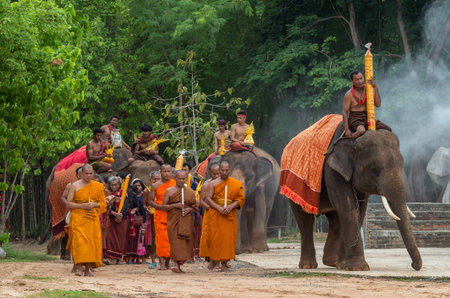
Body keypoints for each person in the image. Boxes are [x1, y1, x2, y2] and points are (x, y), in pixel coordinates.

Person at [66, 164, 106, 276]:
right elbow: (69, 203)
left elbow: (103, 204)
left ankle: (88, 268)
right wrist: (82, 206)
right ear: (82, 174)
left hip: (92, 218)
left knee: (92, 243)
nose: (89, 175)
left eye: (91, 173)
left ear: (93, 173)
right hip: (78, 217)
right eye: (86, 174)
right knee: (80, 242)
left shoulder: (98, 186)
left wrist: (94, 204)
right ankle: (79, 266)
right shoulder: (74, 185)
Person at [204, 161, 245, 272]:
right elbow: (208, 198)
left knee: (228, 239)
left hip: (229, 214)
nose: (224, 172)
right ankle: (214, 260)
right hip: (216, 214)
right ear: (219, 170)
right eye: (222, 170)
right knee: (215, 238)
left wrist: (231, 206)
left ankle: (224, 263)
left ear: (229, 170)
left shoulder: (236, 184)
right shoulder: (212, 184)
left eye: (227, 170)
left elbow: (241, 199)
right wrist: (219, 208)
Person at [163, 170, 198, 273]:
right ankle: (175, 264)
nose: (182, 181)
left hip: (186, 220)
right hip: (173, 220)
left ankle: (179, 264)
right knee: (175, 242)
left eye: (184, 178)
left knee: (184, 242)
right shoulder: (169, 191)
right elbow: (163, 206)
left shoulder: (190, 192)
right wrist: (175, 205)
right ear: (175, 178)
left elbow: (195, 206)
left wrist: (189, 209)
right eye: (179, 178)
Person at [343, 70, 392, 138]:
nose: (360, 81)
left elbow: (378, 105)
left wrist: (375, 87)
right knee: (361, 130)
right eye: (357, 79)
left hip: (368, 117)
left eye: (361, 78)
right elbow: (345, 112)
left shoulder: (369, 89)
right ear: (352, 81)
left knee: (388, 129)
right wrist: (347, 129)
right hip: (355, 119)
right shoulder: (348, 95)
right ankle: (351, 139)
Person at [147, 164, 176, 270]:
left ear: (172, 172)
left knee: (170, 239)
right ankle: (161, 263)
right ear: (160, 172)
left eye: (169, 171)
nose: (167, 173)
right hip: (160, 214)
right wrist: (160, 207)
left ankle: (168, 262)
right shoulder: (156, 186)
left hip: (171, 213)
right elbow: (150, 201)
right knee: (160, 239)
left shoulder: (175, 184)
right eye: (165, 171)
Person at [103, 176, 130, 264]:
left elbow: (126, 205)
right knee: (110, 238)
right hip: (111, 219)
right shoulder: (107, 194)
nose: (114, 187)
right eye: (112, 185)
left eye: (116, 185)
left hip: (122, 219)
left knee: (121, 238)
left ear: (119, 185)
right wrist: (114, 214)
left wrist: (121, 214)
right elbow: (104, 206)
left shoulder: (123, 193)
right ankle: (111, 257)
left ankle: (120, 258)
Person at [60, 166, 83, 261]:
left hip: (88, 214)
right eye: (82, 173)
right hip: (74, 212)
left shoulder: (92, 185)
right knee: (71, 233)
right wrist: (70, 205)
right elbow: (63, 197)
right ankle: (72, 255)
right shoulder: (71, 185)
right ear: (77, 175)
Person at [198, 163, 220, 262]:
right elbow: (201, 201)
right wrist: (211, 209)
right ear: (210, 173)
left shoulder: (226, 184)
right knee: (210, 236)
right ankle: (212, 258)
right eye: (214, 174)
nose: (216, 176)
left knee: (221, 236)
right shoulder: (206, 185)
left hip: (222, 214)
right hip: (210, 214)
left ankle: (221, 259)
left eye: (218, 174)